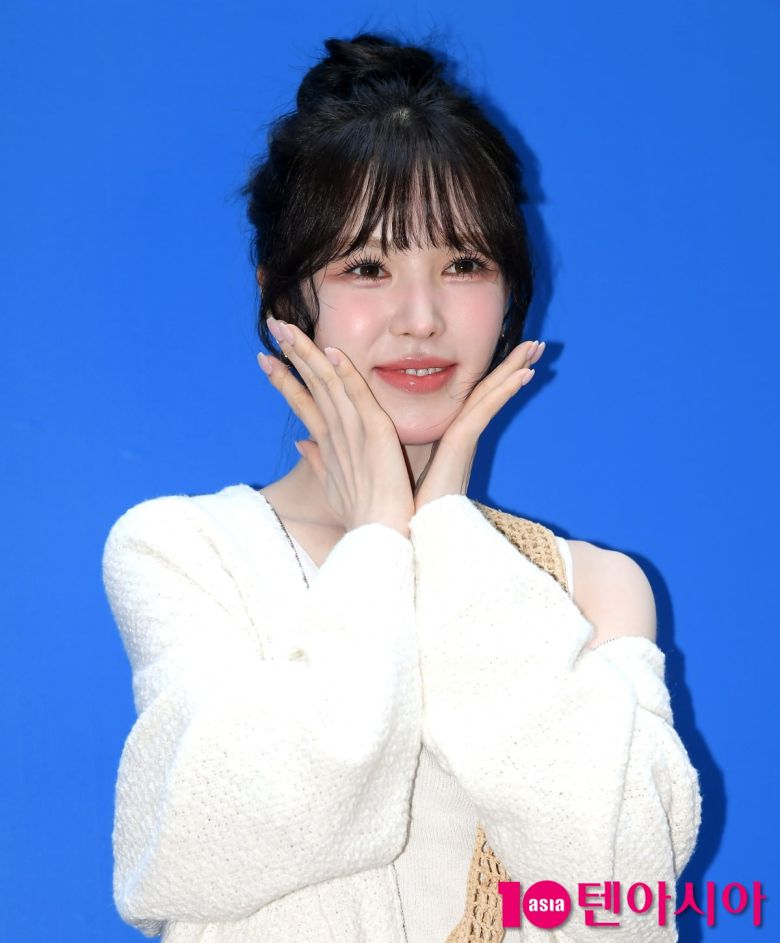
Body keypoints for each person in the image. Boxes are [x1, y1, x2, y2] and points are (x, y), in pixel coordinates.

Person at [102, 32, 702, 943]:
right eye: (367, 268)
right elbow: (198, 851)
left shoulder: (594, 588)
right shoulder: (187, 550)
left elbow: (622, 897)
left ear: (510, 293)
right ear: (283, 295)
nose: (421, 319)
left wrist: (448, 535)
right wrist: (380, 539)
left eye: (463, 265)